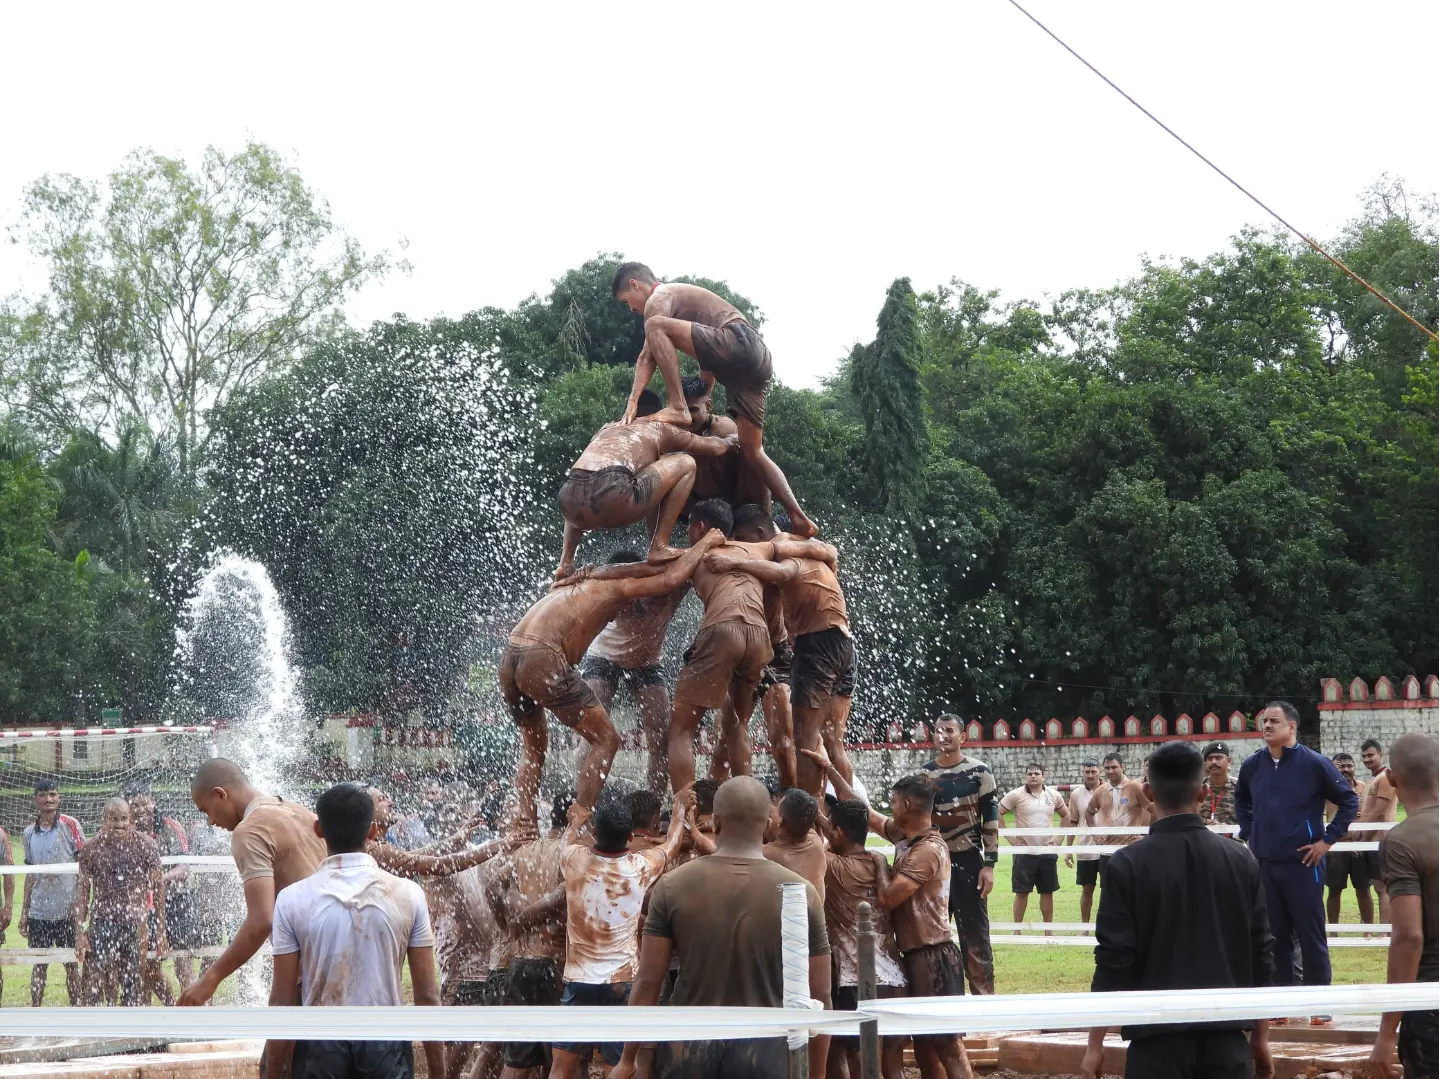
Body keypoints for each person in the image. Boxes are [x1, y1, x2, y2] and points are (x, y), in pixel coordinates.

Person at [611, 776, 830, 1079]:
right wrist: (816, 1074)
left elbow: (648, 981)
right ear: (768, 823)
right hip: (766, 1051)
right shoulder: (801, 892)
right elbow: (820, 992)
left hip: (688, 1049)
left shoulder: (672, 886)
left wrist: (627, 1059)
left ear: (715, 821)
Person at [503, 530, 725, 829]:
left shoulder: (653, 584)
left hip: (518, 654)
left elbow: (675, 574)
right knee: (602, 738)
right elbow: (665, 575)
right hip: (596, 656)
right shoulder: (613, 583)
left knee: (656, 734)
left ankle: (529, 824)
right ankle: (580, 814)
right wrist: (706, 540)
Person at [1079, 741, 1275, 1079]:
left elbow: (1114, 960)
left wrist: (1095, 1045)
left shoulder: (1127, 865)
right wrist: (1261, 1038)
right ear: (1201, 793)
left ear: (1148, 792)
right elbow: (1262, 953)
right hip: (1227, 1044)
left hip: (1155, 1044)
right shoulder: (1241, 859)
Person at [612, 263, 817, 539]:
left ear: (636, 284)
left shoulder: (659, 297)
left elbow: (647, 355)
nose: (632, 309)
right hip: (756, 361)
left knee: (655, 326)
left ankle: (676, 405)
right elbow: (707, 363)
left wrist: (633, 400)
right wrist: (704, 395)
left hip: (739, 340)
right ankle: (799, 517)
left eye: (626, 302)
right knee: (753, 450)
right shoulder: (696, 318)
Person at [810, 751, 974, 1079]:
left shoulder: (927, 850)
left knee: (948, 1047)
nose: (891, 806)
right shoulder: (905, 837)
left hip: (933, 955)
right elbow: (866, 813)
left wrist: (877, 863)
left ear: (909, 806)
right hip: (913, 956)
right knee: (925, 1047)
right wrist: (828, 770)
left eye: (895, 801)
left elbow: (887, 897)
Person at [267, 784, 445, 1079]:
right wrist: (439, 1073)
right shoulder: (408, 894)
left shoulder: (292, 899)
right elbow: (427, 996)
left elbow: (282, 1001)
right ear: (373, 831)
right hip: (385, 1043)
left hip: (320, 1044)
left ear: (318, 830)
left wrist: (273, 1072)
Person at [668, 500, 829, 792]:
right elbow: (825, 550)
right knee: (730, 731)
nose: (736, 544)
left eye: (741, 539)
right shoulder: (762, 550)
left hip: (773, 650)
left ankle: (790, 806)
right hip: (756, 642)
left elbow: (658, 566)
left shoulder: (764, 549)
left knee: (779, 739)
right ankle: (732, 805)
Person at [548, 792, 691, 1079]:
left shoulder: (573, 859)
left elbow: (565, 843)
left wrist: (576, 822)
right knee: (620, 1067)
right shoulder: (639, 866)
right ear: (629, 837)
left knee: (561, 1068)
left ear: (596, 833)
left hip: (578, 981)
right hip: (623, 982)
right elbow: (672, 844)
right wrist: (679, 811)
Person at [724, 504, 853, 800]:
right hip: (844, 642)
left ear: (760, 533)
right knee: (833, 742)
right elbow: (830, 552)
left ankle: (805, 825)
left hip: (816, 645)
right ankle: (849, 820)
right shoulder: (808, 548)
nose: (745, 547)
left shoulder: (782, 548)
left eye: (745, 539)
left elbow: (783, 571)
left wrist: (734, 562)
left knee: (804, 741)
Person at [1235, 701, 1357, 1012]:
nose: (1267, 726)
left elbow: (1349, 801)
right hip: (1265, 864)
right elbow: (1242, 799)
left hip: (1305, 864)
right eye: (1264, 720)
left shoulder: (1314, 763)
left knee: (1310, 935)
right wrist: (1250, 832)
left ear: (1292, 727)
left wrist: (1326, 841)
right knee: (1274, 938)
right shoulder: (1253, 765)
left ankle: (1319, 1006)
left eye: (1274, 721)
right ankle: (1282, 1007)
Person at [179, 758, 327, 1006]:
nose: (211, 822)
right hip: (343, 955)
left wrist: (211, 979)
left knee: (283, 1044)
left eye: (206, 811)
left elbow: (261, 921)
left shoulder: (249, 830)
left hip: (308, 970)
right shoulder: (300, 811)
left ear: (220, 794)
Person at [554, 388, 731, 578]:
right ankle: (660, 546)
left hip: (567, 500)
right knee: (686, 462)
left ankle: (566, 562)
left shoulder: (606, 428)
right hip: (612, 492)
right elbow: (713, 447)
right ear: (660, 412)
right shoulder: (658, 426)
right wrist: (730, 441)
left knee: (581, 481)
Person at [582, 550, 691, 793]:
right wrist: (585, 572)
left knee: (661, 735)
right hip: (603, 655)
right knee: (592, 731)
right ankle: (579, 799)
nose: (653, 601)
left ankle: (652, 804)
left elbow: (698, 561)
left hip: (647, 661)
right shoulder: (614, 592)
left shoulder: (673, 586)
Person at [1365, 732, 1440, 1079]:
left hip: (1429, 999)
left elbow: (1409, 937)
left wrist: (1386, 1033)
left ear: (1392, 778)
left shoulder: (1402, 841)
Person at [822, 798, 908, 1079]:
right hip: (895, 977)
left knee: (860, 1060)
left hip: (855, 979)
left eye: (831, 829)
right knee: (893, 1063)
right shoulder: (880, 864)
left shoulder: (832, 867)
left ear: (838, 833)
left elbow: (802, 837)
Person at [494, 793, 575, 1079]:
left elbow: (494, 884)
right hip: (555, 965)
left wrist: (508, 922)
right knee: (564, 1060)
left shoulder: (525, 851)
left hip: (521, 964)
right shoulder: (571, 852)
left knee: (519, 1059)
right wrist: (521, 919)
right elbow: (565, 893)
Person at [920, 713, 998, 995]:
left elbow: (990, 819)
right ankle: (942, 999)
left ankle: (983, 1003)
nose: (944, 735)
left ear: (963, 737)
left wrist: (989, 864)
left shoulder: (980, 772)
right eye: (939, 731)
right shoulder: (925, 775)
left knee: (975, 935)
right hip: (935, 863)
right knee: (933, 934)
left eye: (950, 730)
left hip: (968, 861)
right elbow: (919, 821)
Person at [73, 797, 165, 1007]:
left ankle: (129, 1033)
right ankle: (97, 1029)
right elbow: (83, 891)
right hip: (103, 921)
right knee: (95, 980)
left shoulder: (145, 845)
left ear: (131, 819)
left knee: (133, 981)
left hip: (136, 923)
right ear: (104, 820)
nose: (119, 824)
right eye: (113, 819)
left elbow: (159, 889)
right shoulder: (90, 849)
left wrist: (160, 932)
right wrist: (80, 933)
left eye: (124, 818)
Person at [124, 783, 193, 1003]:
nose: (141, 809)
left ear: (153, 800)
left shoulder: (170, 826)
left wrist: (159, 880)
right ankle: (168, 1008)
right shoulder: (125, 831)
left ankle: (191, 1015)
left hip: (178, 901)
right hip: (146, 907)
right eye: (135, 805)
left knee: (183, 963)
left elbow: (184, 867)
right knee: (148, 966)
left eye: (145, 803)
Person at [20, 779, 83, 1006]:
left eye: (52, 795)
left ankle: (77, 1009)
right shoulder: (28, 833)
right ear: (35, 799)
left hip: (66, 911)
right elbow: (30, 875)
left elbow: (83, 869)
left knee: (71, 964)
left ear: (59, 799)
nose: (48, 799)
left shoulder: (70, 825)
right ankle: (36, 1008)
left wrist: (81, 909)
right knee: (39, 964)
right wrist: (24, 913)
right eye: (43, 795)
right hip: (40, 912)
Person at [998, 763, 1067, 929]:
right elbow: (997, 813)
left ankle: (1048, 930)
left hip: (1047, 851)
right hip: (1024, 852)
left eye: (1037, 773)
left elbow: (1066, 815)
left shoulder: (1053, 795)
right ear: (1025, 776)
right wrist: (1011, 840)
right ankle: (1017, 930)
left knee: (1047, 892)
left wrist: (1058, 839)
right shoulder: (1016, 795)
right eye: (1030, 774)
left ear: (1044, 776)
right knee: (1021, 892)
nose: (1033, 776)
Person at [1325, 752, 1375, 927]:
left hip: (1359, 846)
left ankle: (1368, 929)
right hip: (1336, 846)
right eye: (1341, 767)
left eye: (1349, 766)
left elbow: (1369, 814)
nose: (1346, 770)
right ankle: (1333, 930)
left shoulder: (1363, 787)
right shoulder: (1328, 789)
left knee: (1363, 889)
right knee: (1334, 890)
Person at [1085, 752, 1151, 885]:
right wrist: (1095, 834)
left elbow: (1154, 810)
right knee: (1108, 892)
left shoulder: (1135, 787)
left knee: (1134, 891)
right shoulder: (1101, 790)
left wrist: (1149, 835)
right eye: (1107, 768)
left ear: (1122, 767)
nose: (1110, 771)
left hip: (1131, 850)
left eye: (1114, 767)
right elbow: (1089, 812)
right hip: (1107, 852)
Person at [763, 788, 828, 902]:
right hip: (816, 917)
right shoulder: (815, 840)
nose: (772, 806)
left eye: (776, 805)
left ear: (780, 822)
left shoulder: (767, 855)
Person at [1359, 738, 1398, 925]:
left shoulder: (1386, 778)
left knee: (1382, 887)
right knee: (1377, 886)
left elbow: (1379, 812)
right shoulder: (1373, 779)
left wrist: (1363, 838)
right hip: (1370, 840)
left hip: (1380, 841)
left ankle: (1385, 930)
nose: (1367, 759)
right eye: (1364, 756)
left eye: (1371, 755)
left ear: (1381, 755)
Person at [1065, 760, 1103, 922]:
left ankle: (1107, 926)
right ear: (1082, 772)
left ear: (1099, 771)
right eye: (1087, 772)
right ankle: (1085, 927)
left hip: (1108, 849)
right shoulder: (1076, 794)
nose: (1090, 775)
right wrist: (1068, 849)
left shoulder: (1108, 790)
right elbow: (1073, 821)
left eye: (1093, 771)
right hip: (1086, 850)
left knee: (1111, 890)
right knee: (1087, 890)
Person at [1200, 742, 1238, 827]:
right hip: (1203, 838)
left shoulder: (1240, 787)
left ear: (1229, 761)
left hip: (1232, 839)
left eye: (1218, 758)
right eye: (1210, 758)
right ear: (1205, 762)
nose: (1213, 762)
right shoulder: (1197, 788)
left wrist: (1222, 827)